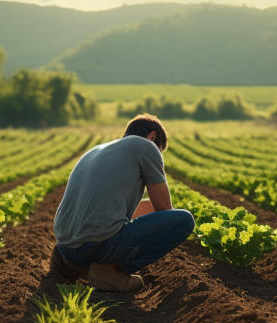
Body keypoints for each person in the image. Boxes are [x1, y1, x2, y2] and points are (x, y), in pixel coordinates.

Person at [50, 114, 195, 292]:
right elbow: (165, 210)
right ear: (152, 137)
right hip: (96, 246)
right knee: (184, 220)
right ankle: (111, 272)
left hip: (66, 249)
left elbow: (144, 209)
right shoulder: (146, 146)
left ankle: (75, 268)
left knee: (150, 207)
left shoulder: (95, 151)